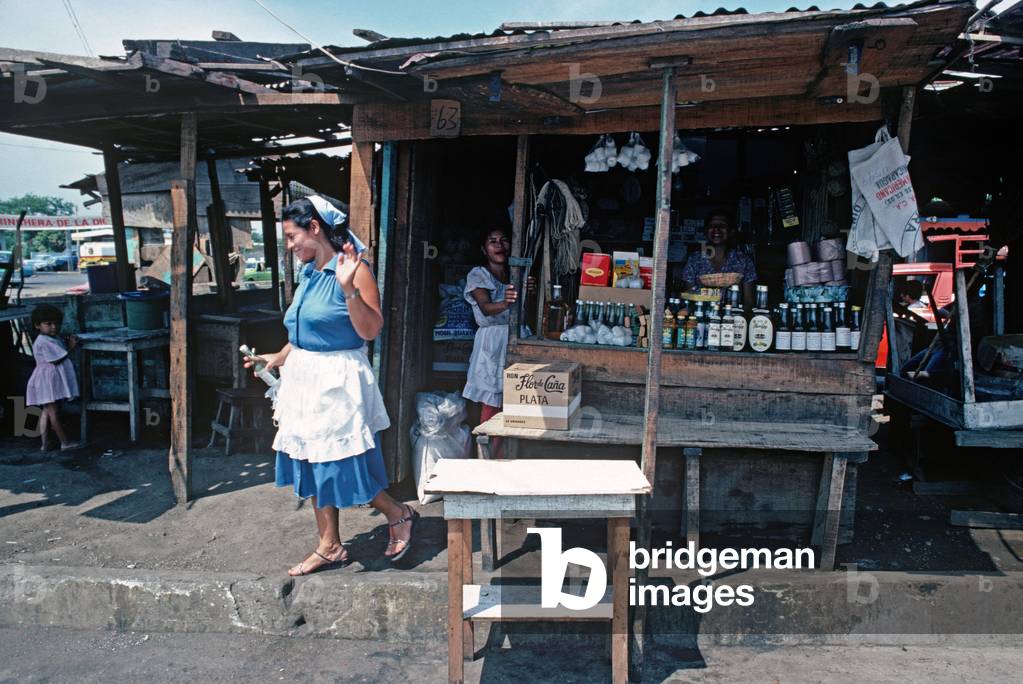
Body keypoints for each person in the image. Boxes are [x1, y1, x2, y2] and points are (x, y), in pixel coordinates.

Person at [247, 195, 416, 576]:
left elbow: (370, 330)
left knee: (340, 462)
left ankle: (398, 513)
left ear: (315, 228)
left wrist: (348, 289)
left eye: (293, 237)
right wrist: (276, 357)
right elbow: (306, 331)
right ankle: (330, 544)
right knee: (309, 459)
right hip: (305, 377)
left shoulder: (353, 270)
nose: (290, 248)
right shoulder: (309, 274)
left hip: (338, 379)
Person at [462, 227, 533, 459]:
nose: (499, 245)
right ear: (484, 249)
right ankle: (487, 457)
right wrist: (506, 302)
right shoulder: (478, 274)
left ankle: (506, 455)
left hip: (515, 337)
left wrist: (529, 290)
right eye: (492, 241)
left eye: (503, 240)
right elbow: (486, 307)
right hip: (492, 342)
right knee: (492, 403)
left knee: (515, 400)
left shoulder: (516, 273)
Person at [26, 304, 82, 451]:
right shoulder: (43, 341)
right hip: (47, 381)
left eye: (56, 323)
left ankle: (45, 444)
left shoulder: (50, 338)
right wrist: (71, 346)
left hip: (47, 380)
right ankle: (65, 442)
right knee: (54, 413)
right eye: (48, 324)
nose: (53, 327)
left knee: (46, 411)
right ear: (37, 325)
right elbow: (56, 359)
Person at [681, 209, 757, 309]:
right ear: (705, 231)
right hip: (700, 317)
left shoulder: (743, 261)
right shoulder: (695, 260)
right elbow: (688, 297)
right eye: (712, 226)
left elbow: (749, 302)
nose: (716, 229)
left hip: (733, 320)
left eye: (723, 226)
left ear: (731, 231)